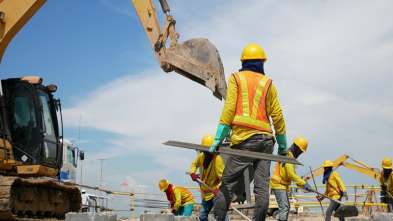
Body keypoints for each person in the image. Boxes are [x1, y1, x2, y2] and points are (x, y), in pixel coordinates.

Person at [210, 43, 288, 221]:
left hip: (244, 140)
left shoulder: (236, 79)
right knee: (262, 188)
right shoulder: (268, 83)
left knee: (228, 184)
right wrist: (283, 146)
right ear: (262, 62)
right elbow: (278, 116)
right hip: (266, 141)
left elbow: (228, 111)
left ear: (243, 61)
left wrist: (217, 140)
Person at [270, 137, 312, 221]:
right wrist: (304, 183)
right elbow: (291, 175)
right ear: (296, 148)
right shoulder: (288, 156)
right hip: (278, 184)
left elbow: (293, 176)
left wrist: (303, 185)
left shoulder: (290, 156)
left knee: (285, 207)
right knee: (284, 208)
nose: (300, 154)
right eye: (300, 151)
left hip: (281, 185)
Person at [189, 134, 225, 221]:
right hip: (206, 194)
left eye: (207, 151)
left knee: (220, 216)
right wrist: (192, 173)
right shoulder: (202, 156)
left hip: (216, 193)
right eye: (204, 151)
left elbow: (224, 178)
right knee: (202, 216)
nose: (206, 153)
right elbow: (194, 164)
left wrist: (218, 188)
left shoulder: (217, 160)